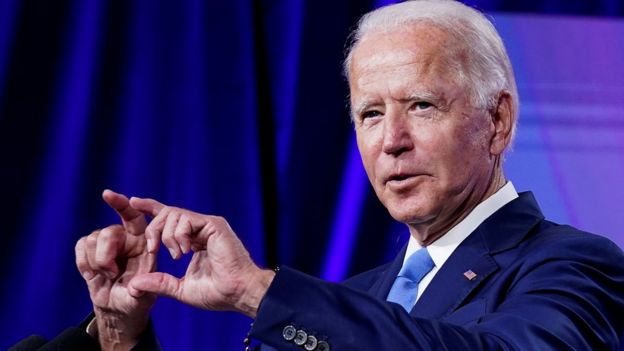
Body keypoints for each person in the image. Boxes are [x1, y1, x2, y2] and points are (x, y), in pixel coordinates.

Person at [32, 0, 624, 350]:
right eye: (370, 114)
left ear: (497, 122)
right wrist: (118, 334)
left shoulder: (576, 266)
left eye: (421, 105)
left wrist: (258, 290)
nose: (391, 141)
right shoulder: (348, 300)